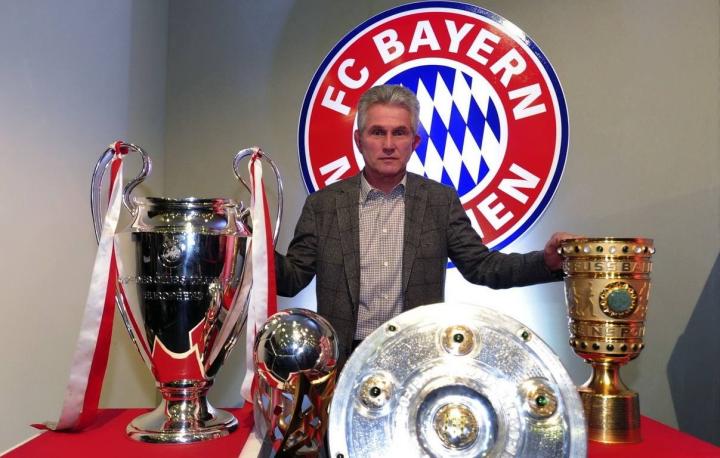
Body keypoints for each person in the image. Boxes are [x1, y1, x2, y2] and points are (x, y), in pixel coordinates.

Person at [276, 84, 573, 367]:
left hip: (417, 358)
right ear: (359, 140)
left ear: (414, 142)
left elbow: (483, 267)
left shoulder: (439, 201)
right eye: (378, 132)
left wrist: (546, 262)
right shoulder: (323, 205)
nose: (389, 145)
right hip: (343, 362)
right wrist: (253, 246)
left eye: (399, 133)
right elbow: (292, 279)